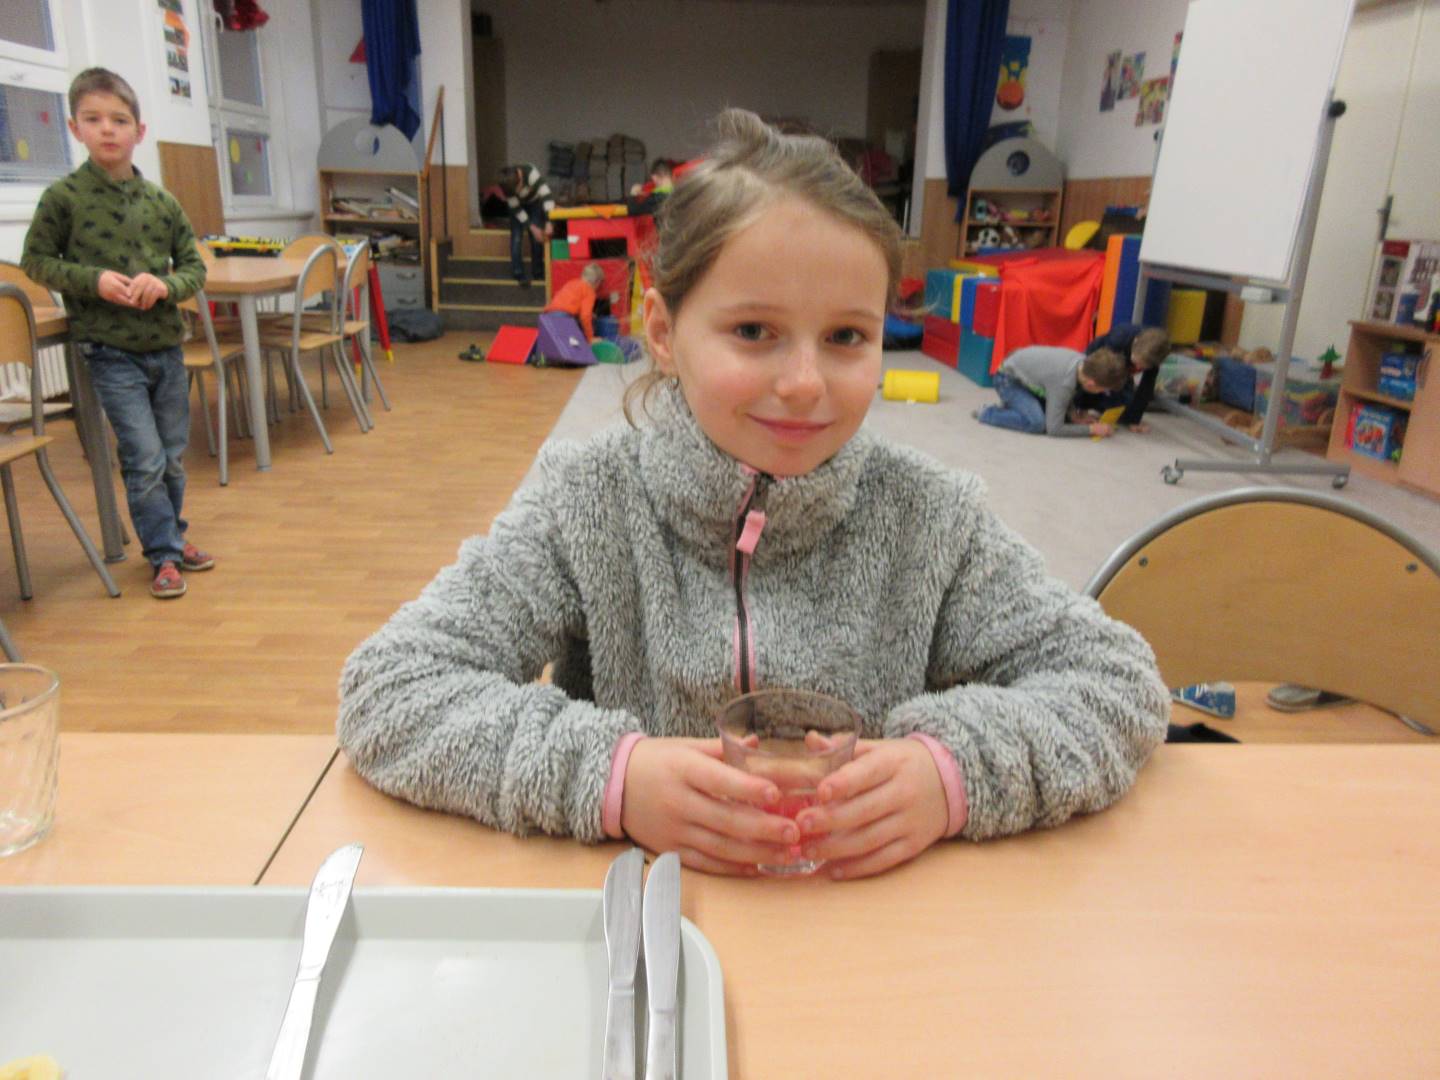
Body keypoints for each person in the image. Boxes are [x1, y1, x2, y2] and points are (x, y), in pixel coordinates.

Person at [338, 109, 1168, 880]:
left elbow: (1115, 681)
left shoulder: (932, 518)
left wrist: (949, 774)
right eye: (753, 331)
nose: (805, 382)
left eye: (846, 336)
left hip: (868, 926)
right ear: (664, 333)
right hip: (653, 918)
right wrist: (614, 778)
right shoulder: (585, 502)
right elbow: (393, 687)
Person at [22, 68, 211, 600]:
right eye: (94, 119)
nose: (107, 129)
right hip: (110, 351)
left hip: (165, 347)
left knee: (171, 455)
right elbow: (36, 261)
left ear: (139, 131)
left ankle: (172, 535)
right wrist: (94, 280)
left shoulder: (162, 202)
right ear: (74, 128)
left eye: (119, 120)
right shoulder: (64, 198)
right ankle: (163, 554)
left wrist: (166, 285)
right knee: (144, 457)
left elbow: (194, 268)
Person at [976, 345, 1129, 437]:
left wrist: (1073, 416)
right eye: (1103, 390)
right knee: (1038, 423)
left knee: (1055, 415)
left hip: (1029, 379)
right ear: (1091, 384)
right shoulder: (1063, 382)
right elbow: (1054, 429)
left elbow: (1067, 396)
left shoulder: (1083, 363)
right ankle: (988, 413)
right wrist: (1091, 429)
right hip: (1007, 380)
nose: (1103, 393)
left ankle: (1016, 407)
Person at [1071, 324, 1171, 433]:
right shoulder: (1118, 339)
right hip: (1098, 361)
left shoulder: (1154, 356)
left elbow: (1146, 387)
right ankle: (1082, 408)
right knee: (1096, 384)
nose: (1137, 367)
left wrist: (1135, 420)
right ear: (1135, 341)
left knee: (1125, 400)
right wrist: (1083, 408)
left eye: (1142, 366)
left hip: (1122, 366)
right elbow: (1097, 373)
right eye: (1136, 362)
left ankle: (1105, 407)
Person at [498, 163, 554, 286]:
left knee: (536, 238)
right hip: (517, 208)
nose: (518, 193)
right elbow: (516, 208)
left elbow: (547, 196)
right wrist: (531, 227)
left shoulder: (531, 174)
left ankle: (538, 272)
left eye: (517, 190)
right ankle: (518, 273)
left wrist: (549, 221)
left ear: (520, 178)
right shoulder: (506, 185)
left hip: (535, 203)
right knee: (516, 238)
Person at [543, 262, 606, 342]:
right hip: (563, 319)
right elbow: (585, 317)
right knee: (574, 344)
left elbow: (566, 303)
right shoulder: (589, 290)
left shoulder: (571, 283)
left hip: (547, 317)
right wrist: (590, 338)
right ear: (597, 282)